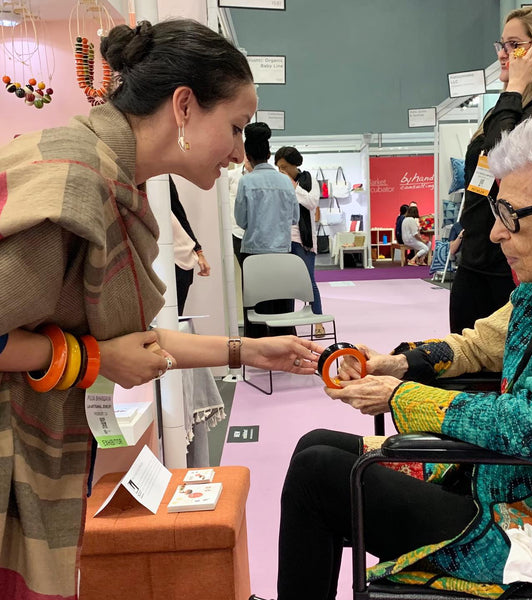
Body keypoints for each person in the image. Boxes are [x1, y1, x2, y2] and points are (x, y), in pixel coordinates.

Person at [0, 20, 322, 600]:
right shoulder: (78, 180)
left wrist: (249, 349)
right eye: (235, 127)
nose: (235, 152)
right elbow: (105, 351)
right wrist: (88, 357)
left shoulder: (117, 179)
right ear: (183, 106)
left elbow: (138, 345)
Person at [268, 111, 532, 600]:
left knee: (319, 476)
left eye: (512, 216)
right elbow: (480, 343)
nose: (495, 234)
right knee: (316, 444)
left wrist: (404, 397)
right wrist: (396, 364)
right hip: (491, 478)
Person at [449, 5, 532, 334]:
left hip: (509, 262)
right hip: (476, 254)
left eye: (514, 45)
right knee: (461, 357)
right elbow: (483, 179)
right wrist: (469, 228)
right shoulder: (509, 105)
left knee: (499, 371)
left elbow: (503, 156)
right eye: (502, 45)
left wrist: (515, 86)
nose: (504, 55)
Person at [235, 123, 299, 337]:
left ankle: (259, 350)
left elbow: (241, 220)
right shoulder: (286, 182)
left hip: (253, 252)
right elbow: (295, 218)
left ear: (248, 155)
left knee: (256, 305)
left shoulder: (246, 182)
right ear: (270, 154)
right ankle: (285, 345)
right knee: (282, 304)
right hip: (282, 250)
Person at [274, 146, 325, 337]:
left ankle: (318, 321)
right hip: (281, 239)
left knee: (309, 282)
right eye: (279, 167)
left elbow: (312, 203)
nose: (282, 171)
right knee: (284, 286)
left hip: (303, 240)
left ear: (295, 165)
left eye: (285, 167)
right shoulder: (277, 182)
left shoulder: (309, 180)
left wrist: (293, 186)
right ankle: (288, 325)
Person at [169, 174, 211, 315]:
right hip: (153, 259)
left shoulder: (161, 178)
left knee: (175, 318)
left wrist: (199, 251)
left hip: (180, 259)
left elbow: (179, 213)